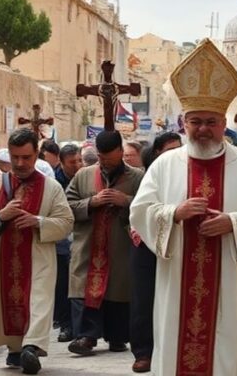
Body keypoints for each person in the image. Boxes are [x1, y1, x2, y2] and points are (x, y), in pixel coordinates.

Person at [130, 39, 237, 375]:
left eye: (211, 121)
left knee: (229, 345)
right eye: (195, 121)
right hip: (178, 277)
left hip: (232, 279)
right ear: (183, 122)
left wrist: (234, 222)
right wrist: (173, 213)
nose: (202, 129)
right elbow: (140, 211)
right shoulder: (164, 165)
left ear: (223, 122)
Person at [0, 128, 75, 374]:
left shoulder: (52, 188)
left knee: (37, 302)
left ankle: (31, 348)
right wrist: (0, 215)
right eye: (15, 157)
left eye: (26, 157)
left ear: (36, 155)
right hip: (0, 260)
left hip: (39, 259)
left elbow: (66, 222)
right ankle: (15, 349)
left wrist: (38, 221)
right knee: (5, 302)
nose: (20, 163)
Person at [65, 131, 144, 356]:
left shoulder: (138, 177)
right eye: (101, 157)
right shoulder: (83, 175)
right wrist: (92, 202)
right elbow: (66, 205)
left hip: (119, 246)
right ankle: (85, 337)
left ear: (121, 151)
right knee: (83, 289)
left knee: (118, 291)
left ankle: (117, 338)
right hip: (88, 245)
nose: (105, 162)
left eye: (109, 157)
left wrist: (126, 201)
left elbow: (148, 207)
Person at [129, 132, 182, 373]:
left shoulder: (186, 172)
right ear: (157, 152)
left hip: (178, 242)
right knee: (144, 298)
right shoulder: (149, 174)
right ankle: (143, 352)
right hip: (147, 242)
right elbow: (140, 209)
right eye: (170, 149)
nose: (176, 153)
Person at [52, 144, 83, 343]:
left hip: (81, 238)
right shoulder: (54, 183)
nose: (77, 165)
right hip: (61, 242)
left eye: (79, 160)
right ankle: (65, 324)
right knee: (62, 285)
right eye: (72, 162)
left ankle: (81, 327)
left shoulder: (85, 178)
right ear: (62, 163)